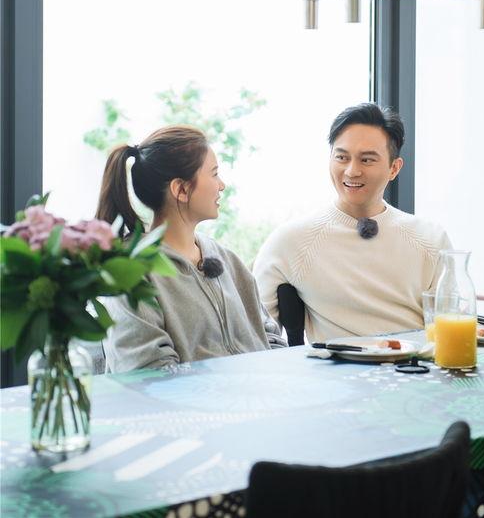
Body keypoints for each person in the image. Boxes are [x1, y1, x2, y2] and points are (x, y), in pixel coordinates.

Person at [253, 103, 451, 343]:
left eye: (366, 160)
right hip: (337, 366)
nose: (351, 171)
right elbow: (254, 335)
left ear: (394, 168)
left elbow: (450, 330)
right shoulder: (291, 241)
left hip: (418, 363)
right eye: (341, 157)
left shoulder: (431, 239)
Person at [96, 125, 286, 372]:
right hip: (193, 399)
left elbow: (269, 337)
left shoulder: (225, 259)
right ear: (181, 189)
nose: (222, 185)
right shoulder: (130, 272)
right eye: (214, 174)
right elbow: (148, 374)